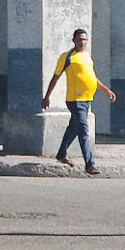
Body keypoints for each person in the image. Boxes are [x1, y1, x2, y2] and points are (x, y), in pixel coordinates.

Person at [40, 28, 116, 175]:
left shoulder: (87, 56)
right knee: (83, 130)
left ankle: (61, 154)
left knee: (74, 127)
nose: (82, 42)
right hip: (75, 99)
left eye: (84, 39)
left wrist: (106, 90)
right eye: (80, 39)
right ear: (74, 40)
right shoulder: (67, 57)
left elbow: (92, 78)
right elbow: (55, 78)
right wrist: (47, 97)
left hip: (87, 99)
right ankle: (90, 164)